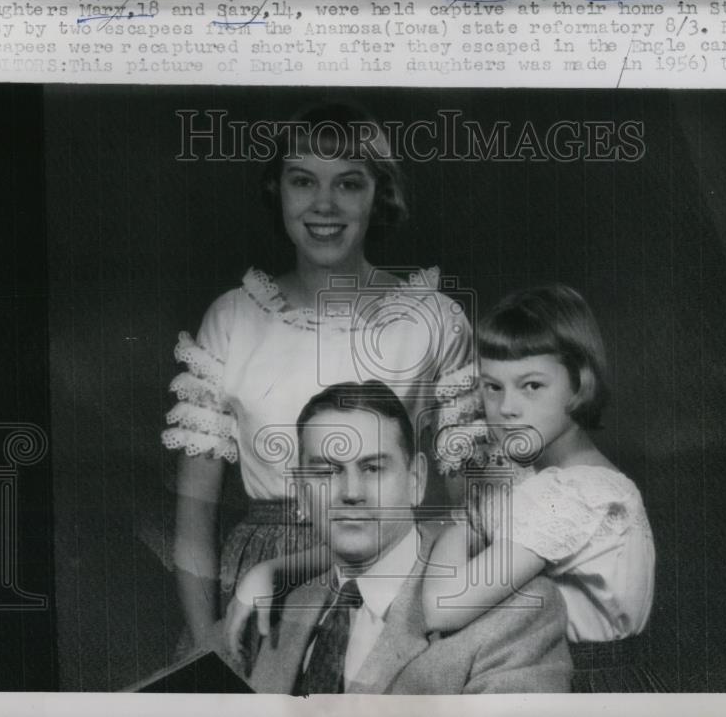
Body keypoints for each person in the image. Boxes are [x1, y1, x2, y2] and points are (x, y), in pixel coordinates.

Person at [160, 102, 473, 654]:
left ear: (380, 194)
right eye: (303, 181)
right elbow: (193, 519)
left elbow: (471, 508)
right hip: (254, 588)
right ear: (277, 190)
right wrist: (208, 643)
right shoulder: (232, 319)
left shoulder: (434, 320)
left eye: (348, 184)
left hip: (387, 570)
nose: (323, 205)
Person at [245, 381, 573, 694]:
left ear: (415, 481)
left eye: (373, 468)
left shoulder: (515, 612)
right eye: (326, 472)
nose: (351, 493)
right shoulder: (275, 604)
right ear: (300, 493)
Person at [424, 283, 665, 692]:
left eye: (532, 385)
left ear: (580, 383)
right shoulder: (548, 479)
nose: (507, 408)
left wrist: (461, 525)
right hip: (562, 675)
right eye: (492, 386)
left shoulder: (574, 492)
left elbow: (441, 607)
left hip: (582, 686)